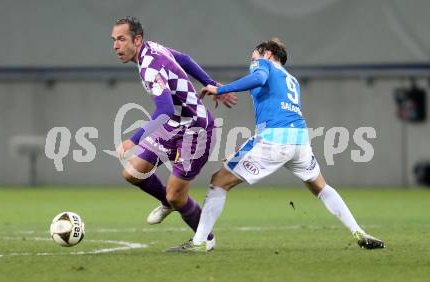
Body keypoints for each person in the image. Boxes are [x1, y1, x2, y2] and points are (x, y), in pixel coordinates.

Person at [168, 38, 385, 252]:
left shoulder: (263, 64)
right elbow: (275, 108)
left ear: (268, 54)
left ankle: (199, 242)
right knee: (321, 187)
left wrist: (220, 90)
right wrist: (245, 149)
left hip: (274, 140)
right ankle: (358, 231)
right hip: (299, 140)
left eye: (253, 57)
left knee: (219, 181)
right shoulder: (291, 80)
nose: (252, 62)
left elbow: (259, 78)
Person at [111, 16, 236, 251]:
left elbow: (165, 110)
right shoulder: (151, 49)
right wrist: (210, 83)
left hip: (196, 129)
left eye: (121, 39)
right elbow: (185, 60)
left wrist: (133, 139)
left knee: (177, 196)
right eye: (114, 40)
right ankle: (165, 203)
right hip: (174, 125)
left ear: (137, 40)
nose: (115, 46)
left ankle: (204, 241)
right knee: (132, 173)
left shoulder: (150, 66)